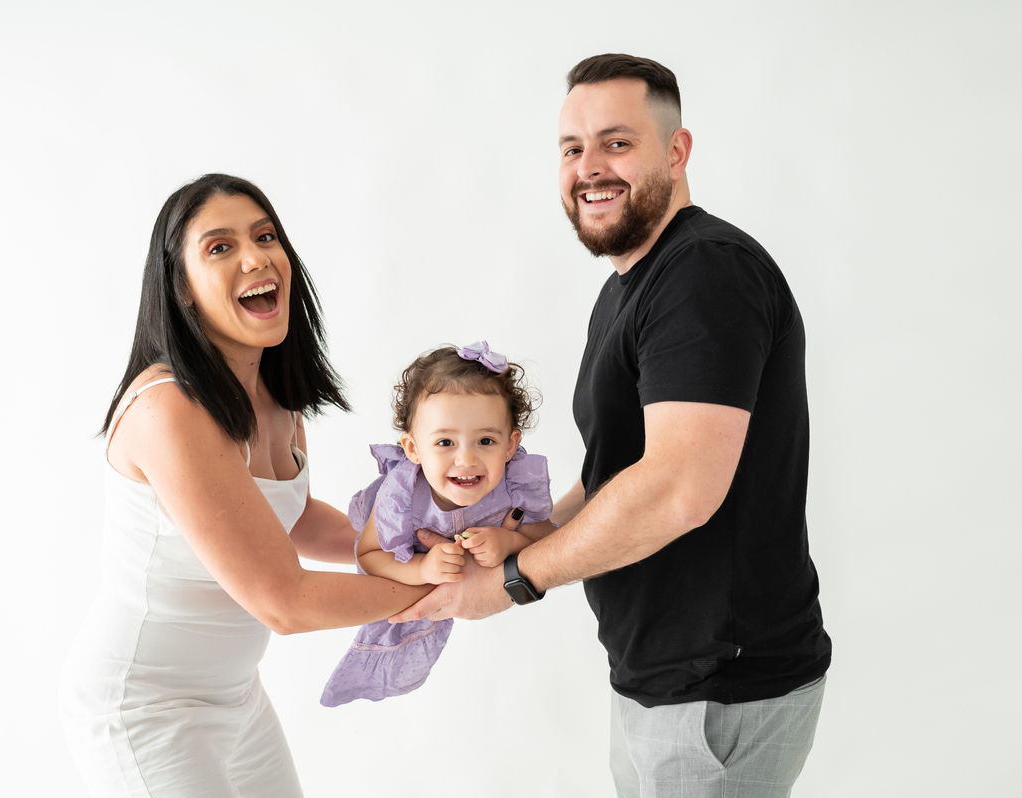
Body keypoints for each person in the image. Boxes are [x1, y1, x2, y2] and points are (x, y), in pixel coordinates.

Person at [390, 54, 832, 797]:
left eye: (616, 143)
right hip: (660, 678)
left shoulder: (704, 272)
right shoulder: (632, 285)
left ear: (677, 151)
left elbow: (677, 488)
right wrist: (527, 532)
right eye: (572, 148)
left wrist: (517, 581)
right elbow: (619, 474)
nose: (589, 168)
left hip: (719, 688)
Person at [58, 174, 435, 798]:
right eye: (220, 247)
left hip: (235, 697)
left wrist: (415, 539)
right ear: (181, 287)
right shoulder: (168, 409)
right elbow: (283, 601)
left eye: (265, 237)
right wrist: (432, 585)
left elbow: (293, 517)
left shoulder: (275, 397)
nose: (256, 257)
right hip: (142, 711)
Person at [320, 342, 554, 707]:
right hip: (409, 590)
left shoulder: (516, 483)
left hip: (487, 611)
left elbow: (548, 539)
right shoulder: (402, 496)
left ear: (510, 446)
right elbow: (368, 555)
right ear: (413, 449)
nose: (466, 458)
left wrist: (510, 543)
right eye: (445, 442)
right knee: (394, 643)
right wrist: (422, 568)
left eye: (486, 440)